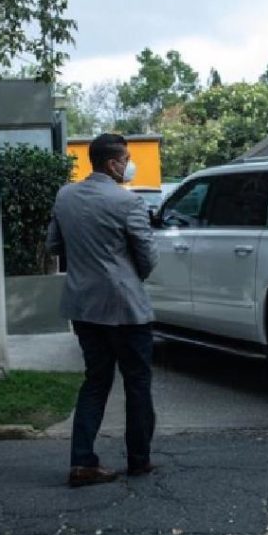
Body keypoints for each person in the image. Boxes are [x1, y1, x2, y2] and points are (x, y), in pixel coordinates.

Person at [46, 133, 159, 487]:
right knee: (137, 382)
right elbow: (147, 256)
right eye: (126, 159)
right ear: (112, 164)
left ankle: (82, 462)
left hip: (83, 305)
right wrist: (130, 276)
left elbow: (53, 245)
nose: (129, 165)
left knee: (95, 381)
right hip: (125, 308)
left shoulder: (65, 196)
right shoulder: (129, 202)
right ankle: (139, 459)